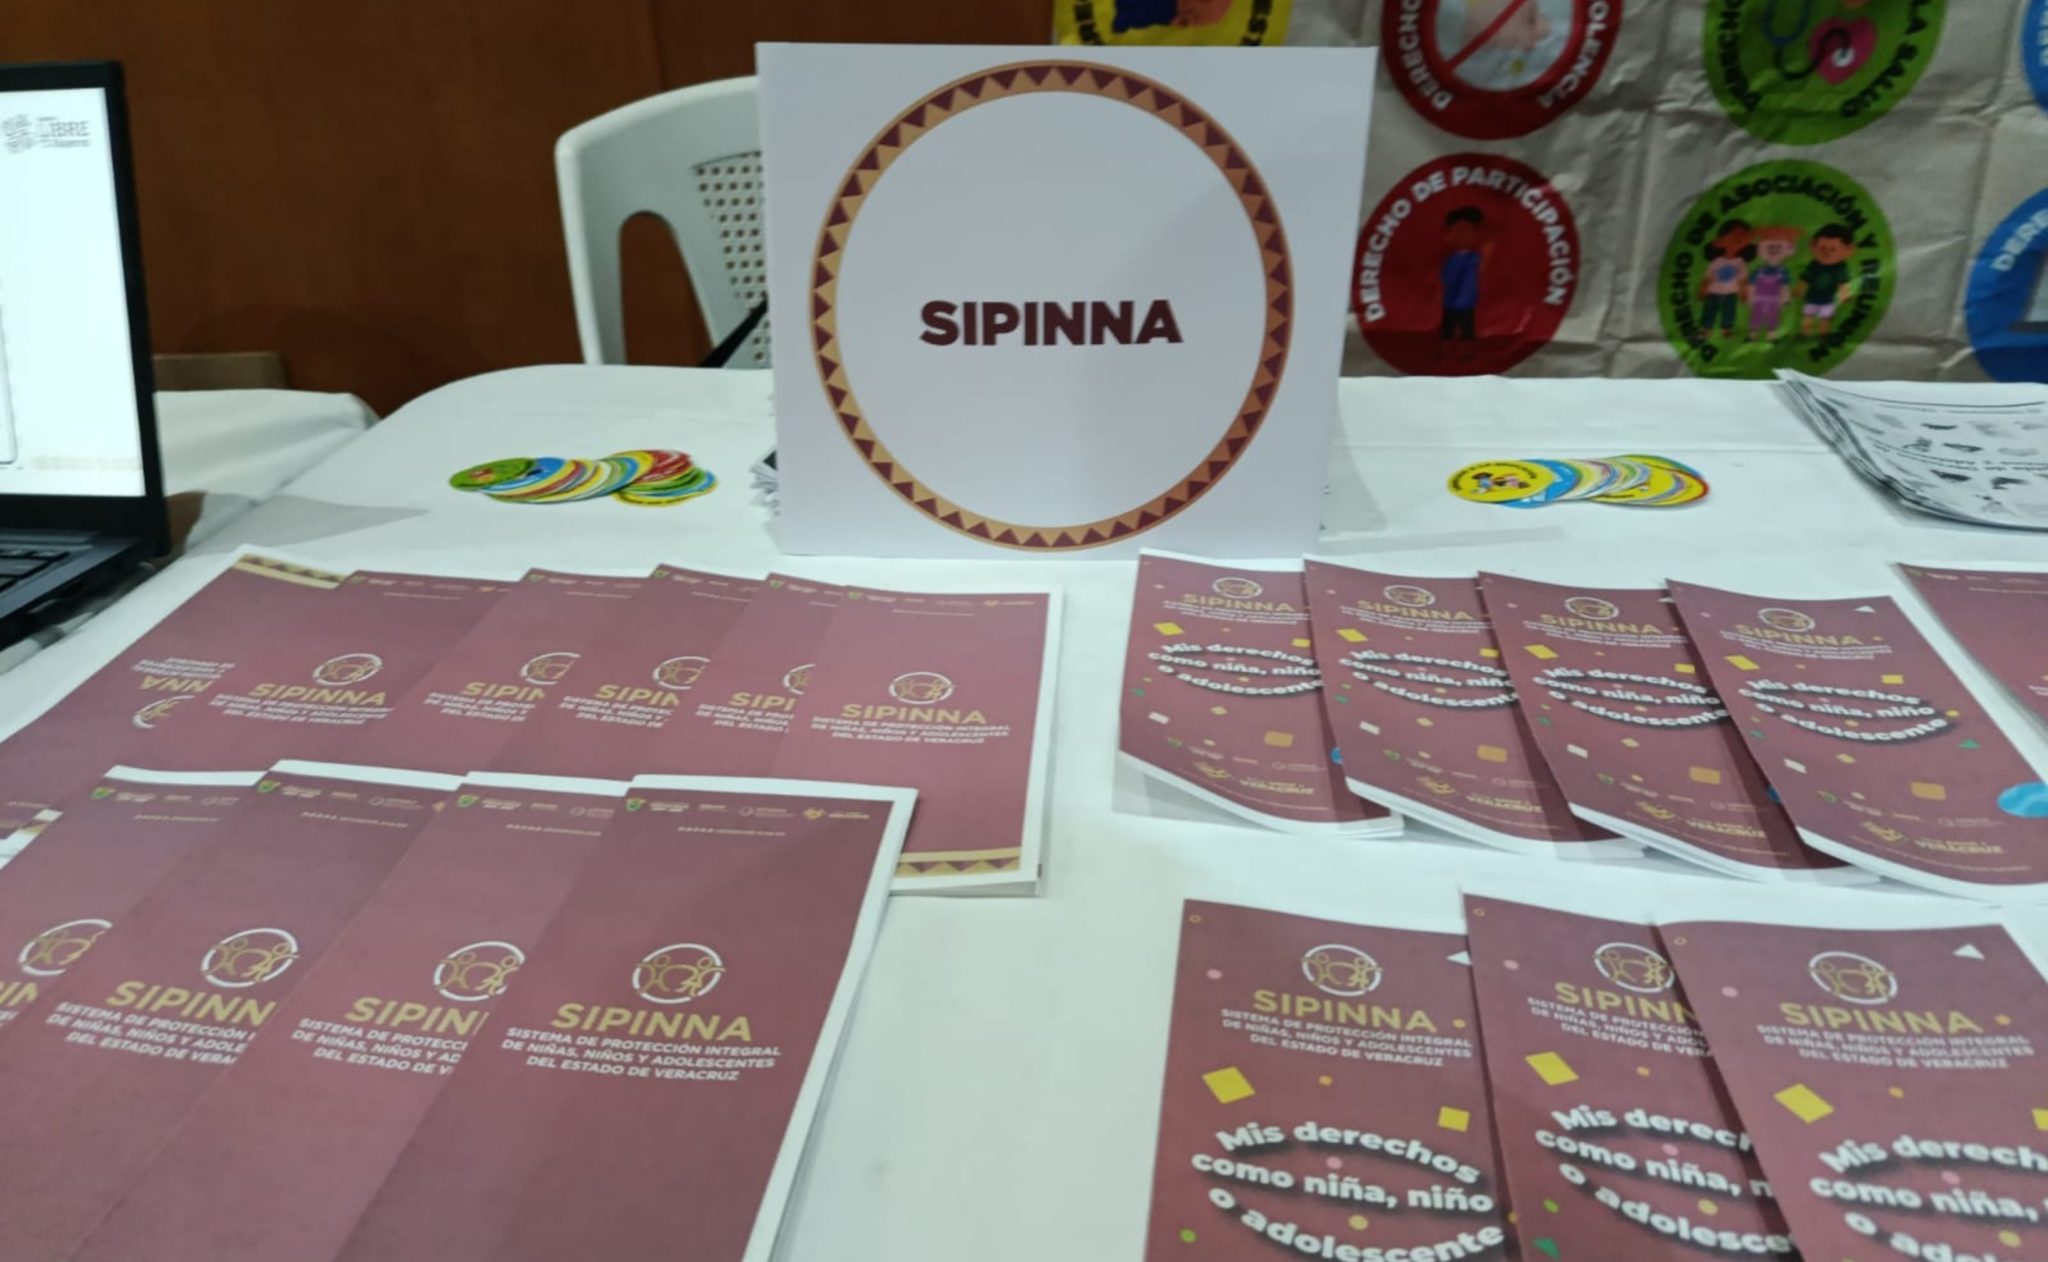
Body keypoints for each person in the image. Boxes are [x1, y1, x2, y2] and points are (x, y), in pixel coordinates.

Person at [1439, 206, 1487, 347]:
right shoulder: (1451, 260)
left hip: (1467, 303)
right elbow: (1444, 278)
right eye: (1458, 230)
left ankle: (1466, 351)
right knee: (1448, 332)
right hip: (1451, 302)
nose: (1463, 235)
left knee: (1467, 333)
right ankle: (1447, 349)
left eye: (1467, 230)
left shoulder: (1474, 258)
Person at [1697, 220, 1754, 340]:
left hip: (1731, 292)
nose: (1737, 240)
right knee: (1710, 309)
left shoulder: (1740, 262)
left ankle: (1727, 328)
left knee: (1729, 310)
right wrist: (1703, 289)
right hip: (1713, 291)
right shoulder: (1717, 261)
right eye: (1734, 235)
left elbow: (1742, 280)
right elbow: (1708, 277)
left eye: (1742, 237)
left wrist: (1743, 293)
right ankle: (1706, 328)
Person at [1797, 224, 1857, 336]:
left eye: (1833, 249)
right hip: (1811, 298)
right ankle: (1805, 333)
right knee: (1808, 316)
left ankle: (1823, 334)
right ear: (1814, 246)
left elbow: (1843, 284)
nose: (1827, 252)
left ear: (1847, 250)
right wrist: (1800, 290)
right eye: (1822, 248)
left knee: (1825, 318)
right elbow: (1805, 279)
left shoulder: (1840, 268)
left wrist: (1845, 296)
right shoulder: (1814, 265)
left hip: (1828, 300)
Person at [1747, 226, 1801, 341]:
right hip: (1759, 299)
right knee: (1756, 316)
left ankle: (1771, 334)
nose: (1774, 249)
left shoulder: (1782, 272)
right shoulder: (1759, 270)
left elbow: (1785, 286)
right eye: (1770, 246)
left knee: (1773, 317)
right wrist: (1750, 297)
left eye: (1779, 246)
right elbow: (1752, 285)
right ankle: (1753, 334)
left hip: (1774, 300)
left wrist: (1785, 298)